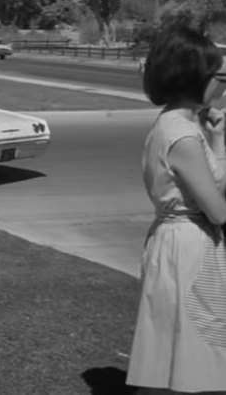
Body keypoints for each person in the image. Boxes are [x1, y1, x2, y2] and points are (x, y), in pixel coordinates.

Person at [127, 25, 226, 394]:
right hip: (189, 247)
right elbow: (218, 210)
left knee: (175, 342)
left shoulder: (175, 123)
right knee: (197, 347)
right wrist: (220, 144)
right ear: (194, 77)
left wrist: (215, 138)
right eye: (220, 76)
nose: (224, 86)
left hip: (175, 241)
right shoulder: (182, 135)